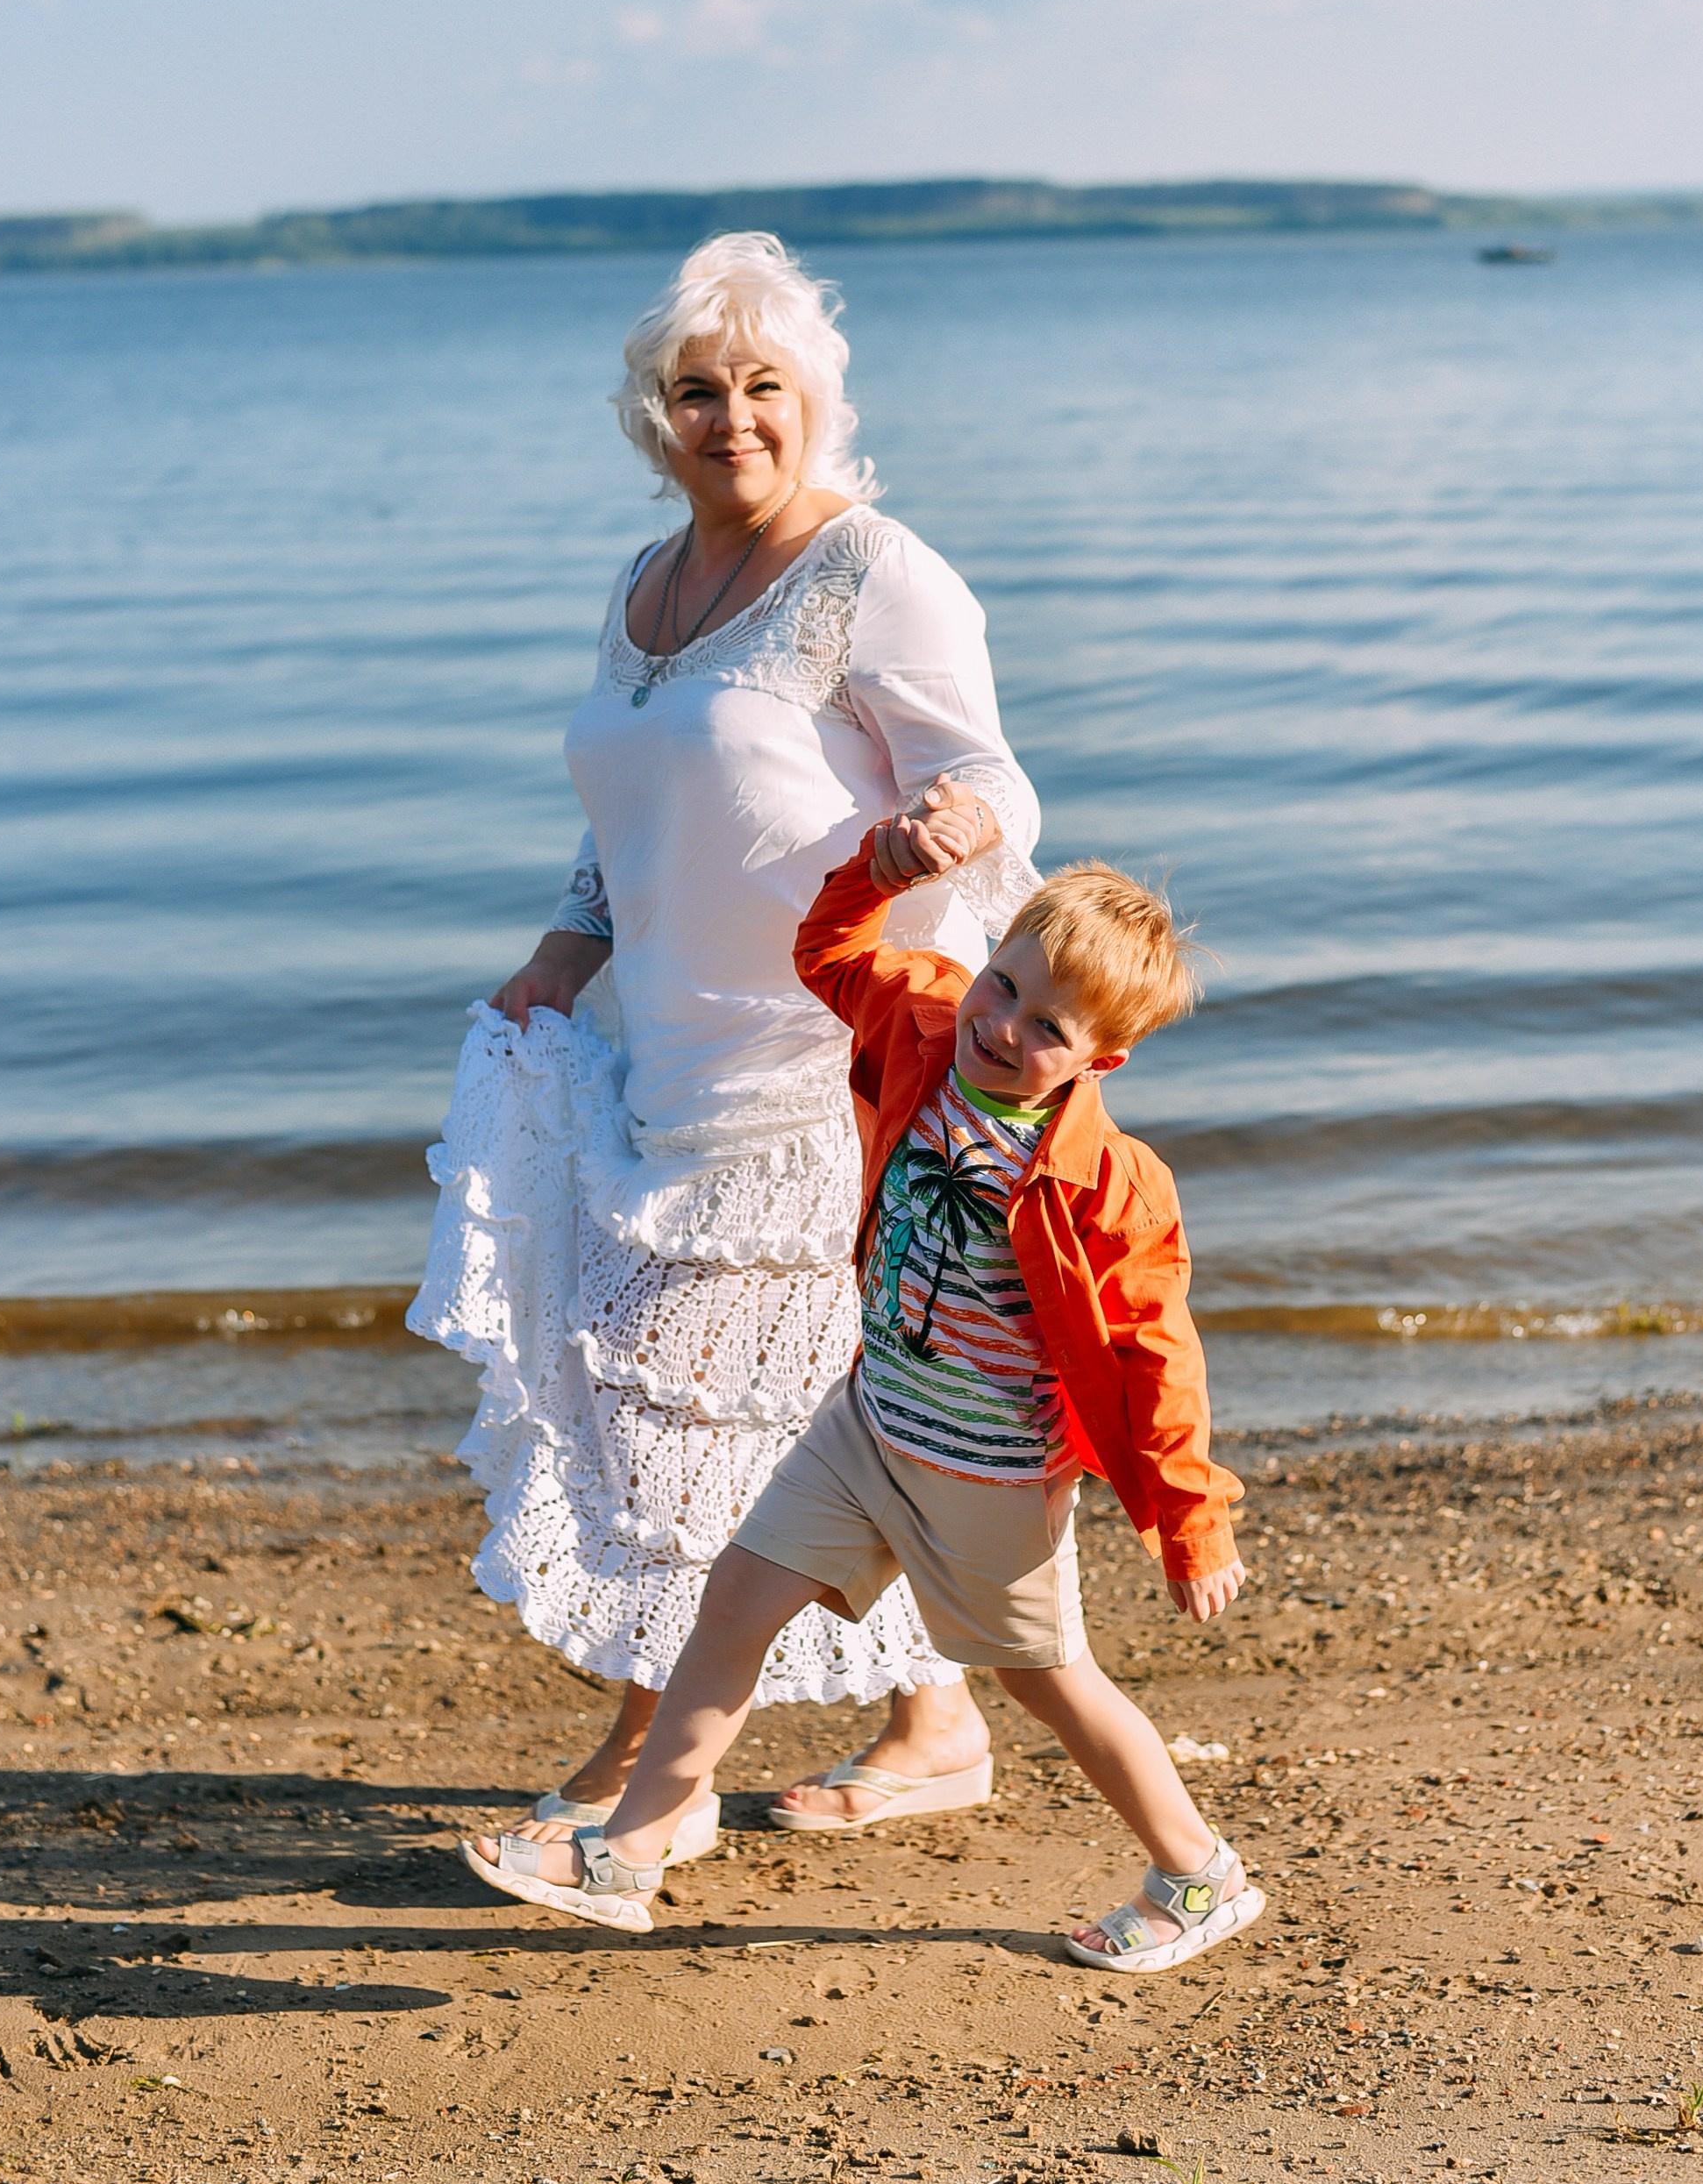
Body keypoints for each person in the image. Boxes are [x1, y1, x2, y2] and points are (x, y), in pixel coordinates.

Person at [410, 232, 1040, 1850]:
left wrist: (953, 828)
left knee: (673, 1404)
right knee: (824, 1404)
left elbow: (991, 778)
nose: (732, 417)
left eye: (764, 386)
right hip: (665, 1057)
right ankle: (940, 1724)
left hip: (825, 1056)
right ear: (656, 415)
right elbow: (626, 822)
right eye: (698, 390)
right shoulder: (644, 588)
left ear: (814, 401)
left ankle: (650, 1771)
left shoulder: (871, 567)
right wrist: (560, 959)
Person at [466, 791, 1262, 1974]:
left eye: (1048, 1025)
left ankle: (1199, 1873)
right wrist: (879, 869)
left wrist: (1191, 1522)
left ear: (1104, 1057)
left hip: (990, 1476)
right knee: (734, 1603)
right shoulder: (927, 1028)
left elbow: (1158, 1356)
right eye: (1004, 984)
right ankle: (628, 1854)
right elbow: (830, 951)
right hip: (869, 1424)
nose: (1004, 1026)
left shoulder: (1111, 1183)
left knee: (1048, 1682)